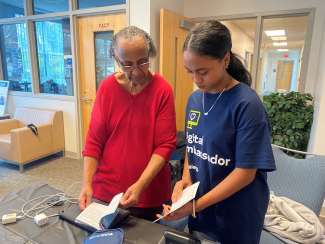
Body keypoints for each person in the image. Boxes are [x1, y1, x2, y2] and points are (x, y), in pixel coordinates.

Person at [160, 20, 276, 243]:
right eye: (190, 71)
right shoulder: (195, 100)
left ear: (225, 59)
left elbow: (245, 174)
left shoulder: (247, 105)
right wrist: (184, 183)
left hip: (236, 216)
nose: (196, 80)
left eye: (202, 71)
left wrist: (194, 206)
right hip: (202, 211)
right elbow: (194, 147)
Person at [79, 26, 176, 221]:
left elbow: (165, 145)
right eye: (127, 64)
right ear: (116, 60)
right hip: (106, 190)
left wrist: (140, 184)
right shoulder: (107, 88)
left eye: (142, 62)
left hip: (149, 194)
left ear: (150, 55)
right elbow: (94, 141)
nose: (137, 71)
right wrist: (86, 184)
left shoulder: (162, 90)